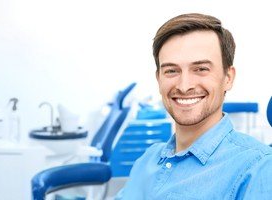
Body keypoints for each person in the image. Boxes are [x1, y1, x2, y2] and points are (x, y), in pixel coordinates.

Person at [115, 13, 272, 200]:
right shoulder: (147, 159)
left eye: (201, 69)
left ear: (228, 78)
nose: (184, 86)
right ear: (158, 79)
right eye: (171, 71)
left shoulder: (258, 168)